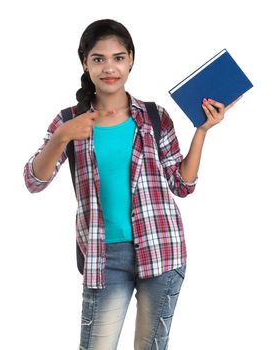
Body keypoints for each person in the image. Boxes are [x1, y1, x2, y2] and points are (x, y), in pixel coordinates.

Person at [24, 19, 241, 350]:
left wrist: (202, 131)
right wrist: (62, 136)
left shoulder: (155, 116)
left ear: (131, 60)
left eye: (118, 57)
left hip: (162, 249)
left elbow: (181, 185)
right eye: (98, 59)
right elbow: (33, 181)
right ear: (85, 62)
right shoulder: (69, 121)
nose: (109, 67)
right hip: (103, 256)